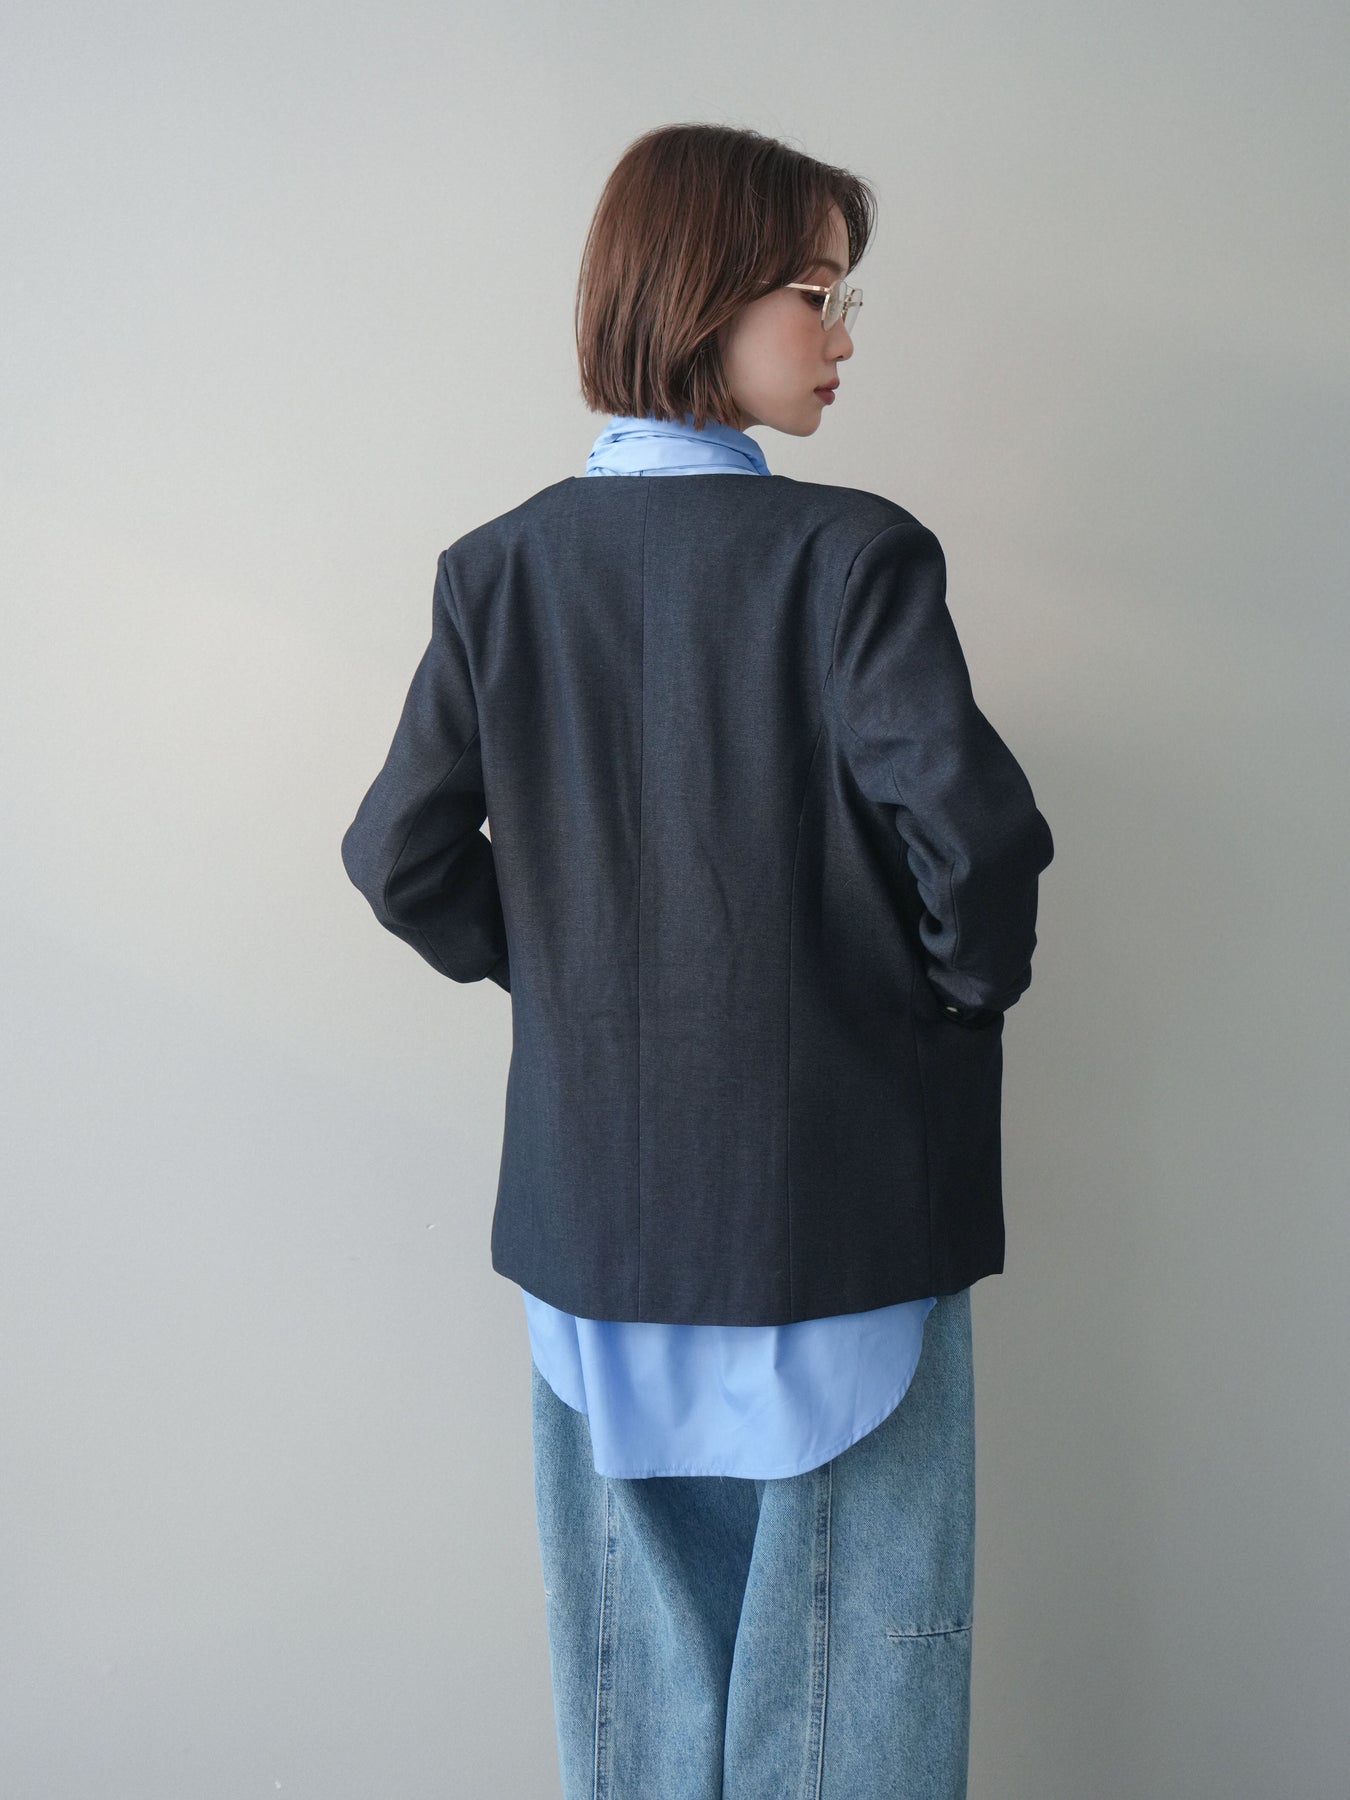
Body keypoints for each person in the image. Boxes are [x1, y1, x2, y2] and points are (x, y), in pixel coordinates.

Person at [340, 122, 1053, 1800]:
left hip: (596, 1213)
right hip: (841, 1198)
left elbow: (398, 857)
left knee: (633, 1693)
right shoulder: (852, 558)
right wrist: (949, 999)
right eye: (816, 291)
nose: (842, 333)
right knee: (853, 1681)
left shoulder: (496, 571)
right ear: (700, 296)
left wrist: (573, 982)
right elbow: (975, 844)